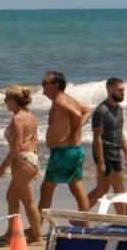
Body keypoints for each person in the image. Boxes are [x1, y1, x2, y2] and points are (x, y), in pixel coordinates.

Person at [38, 71, 93, 217]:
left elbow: (77, 114)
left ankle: (36, 230)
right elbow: (88, 109)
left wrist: (74, 132)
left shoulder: (59, 101)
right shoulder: (67, 99)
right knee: (76, 186)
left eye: (45, 83)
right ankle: (85, 224)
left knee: (47, 189)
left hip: (63, 152)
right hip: (72, 150)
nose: (42, 86)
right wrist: (77, 128)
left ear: (56, 85)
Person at [0, 86, 43, 244]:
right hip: (31, 159)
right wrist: (36, 165)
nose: (5, 103)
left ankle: (37, 237)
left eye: (6, 100)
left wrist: (2, 167)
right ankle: (11, 233)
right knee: (12, 197)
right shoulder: (30, 116)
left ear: (14, 101)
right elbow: (35, 142)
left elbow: (16, 148)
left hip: (22, 161)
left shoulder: (17, 119)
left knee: (28, 201)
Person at [86, 78, 127, 214]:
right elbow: (97, 137)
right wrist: (101, 162)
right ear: (109, 89)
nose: (123, 93)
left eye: (123, 90)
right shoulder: (101, 111)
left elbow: (119, 132)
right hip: (107, 154)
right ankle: (124, 222)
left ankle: (77, 217)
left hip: (115, 152)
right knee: (120, 188)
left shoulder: (118, 108)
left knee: (101, 189)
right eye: (120, 90)